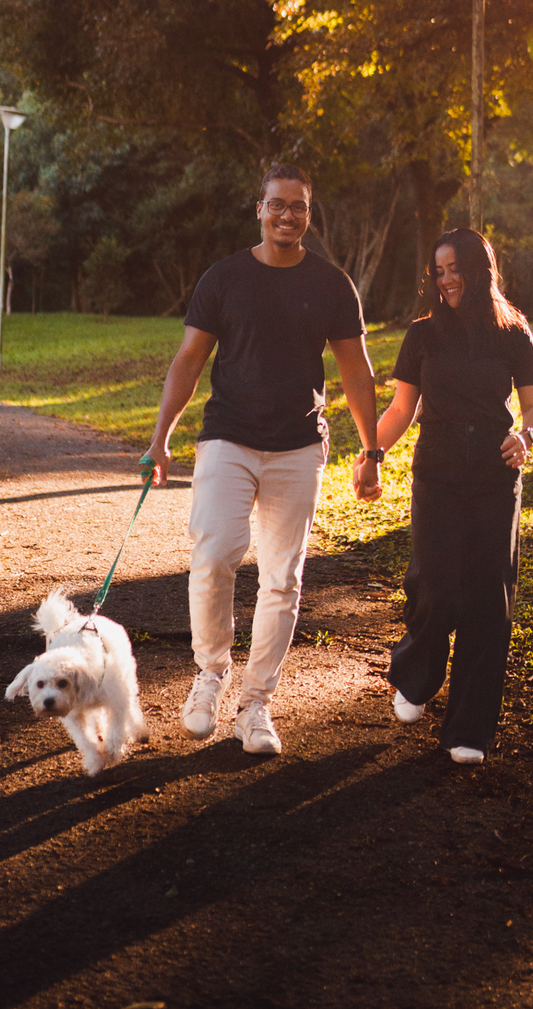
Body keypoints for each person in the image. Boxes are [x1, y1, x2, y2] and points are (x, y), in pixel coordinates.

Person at [143, 163, 380, 757]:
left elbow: (356, 370)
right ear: (259, 209)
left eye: (298, 207)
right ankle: (209, 675)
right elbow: (189, 361)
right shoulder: (224, 278)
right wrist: (160, 438)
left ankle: (256, 704)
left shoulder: (331, 285)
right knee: (215, 552)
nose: (287, 216)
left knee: (282, 579)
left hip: (299, 446)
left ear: (308, 213)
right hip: (228, 437)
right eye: (277, 204)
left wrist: (371, 450)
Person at [354, 227, 533, 765]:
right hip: (436, 470)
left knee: (489, 599)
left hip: (493, 472)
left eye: (455, 268)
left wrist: (525, 437)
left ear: (479, 269)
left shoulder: (512, 332)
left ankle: (469, 728)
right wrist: (371, 454)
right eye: (438, 271)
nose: (447, 279)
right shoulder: (423, 335)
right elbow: (401, 411)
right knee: (434, 584)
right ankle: (417, 675)